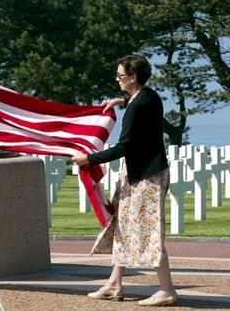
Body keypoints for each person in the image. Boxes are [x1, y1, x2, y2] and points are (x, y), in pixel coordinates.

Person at [71, 54, 177, 307]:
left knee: (148, 231)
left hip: (147, 178)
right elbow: (135, 100)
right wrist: (119, 100)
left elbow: (124, 146)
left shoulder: (140, 104)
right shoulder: (147, 96)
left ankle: (167, 289)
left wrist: (89, 158)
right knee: (122, 226)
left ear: (132, 77)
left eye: (120, 75)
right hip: (138, 174)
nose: (117, 79)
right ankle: (114, 284)